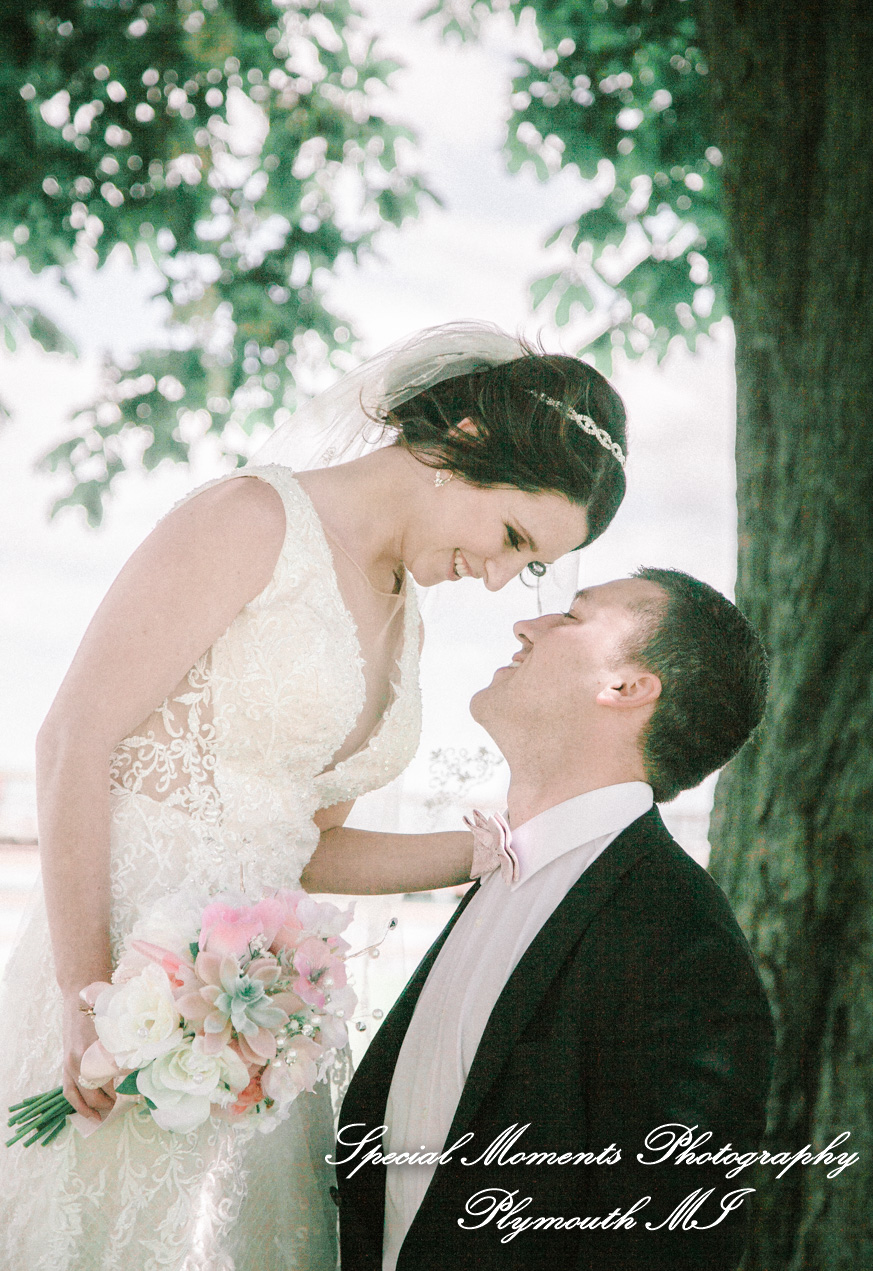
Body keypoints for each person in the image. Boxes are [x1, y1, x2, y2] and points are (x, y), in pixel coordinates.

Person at [0, 324, 629, 1271]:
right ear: (460, 443)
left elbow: (301, 846)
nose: (500, 578)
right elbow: (72, 740)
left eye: (529, 564)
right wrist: (89, 995)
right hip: (113, 968)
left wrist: (486, 854)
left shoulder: (406, 625)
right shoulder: (252, 519)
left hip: (249, 1028)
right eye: (510, 536)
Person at [324, 568, 775, 1271]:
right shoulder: (498, 877)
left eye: (570, 615)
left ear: (627, 687)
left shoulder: (683, 945)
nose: (524, 625)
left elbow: (668, 1248)